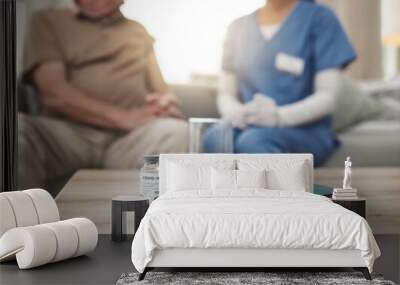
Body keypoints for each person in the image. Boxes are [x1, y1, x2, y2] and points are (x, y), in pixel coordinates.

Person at [18, 0, 188, 190]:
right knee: (15, 129)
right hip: (69, 135)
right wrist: (126, 117)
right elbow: (54, 93)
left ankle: (158, 219)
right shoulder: (47, 21)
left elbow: (162, 90)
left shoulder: (138, 31)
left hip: (129, 139)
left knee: (179, 132)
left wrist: (166, 102)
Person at [203, 0, 356, 166]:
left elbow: (327, 98)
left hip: (305, 130)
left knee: (253, 142)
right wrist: (235, 112)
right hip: (250, 123)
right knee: (215, 137)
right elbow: (226, 92)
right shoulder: (237, 27)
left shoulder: (320, 18)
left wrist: (279, 117)